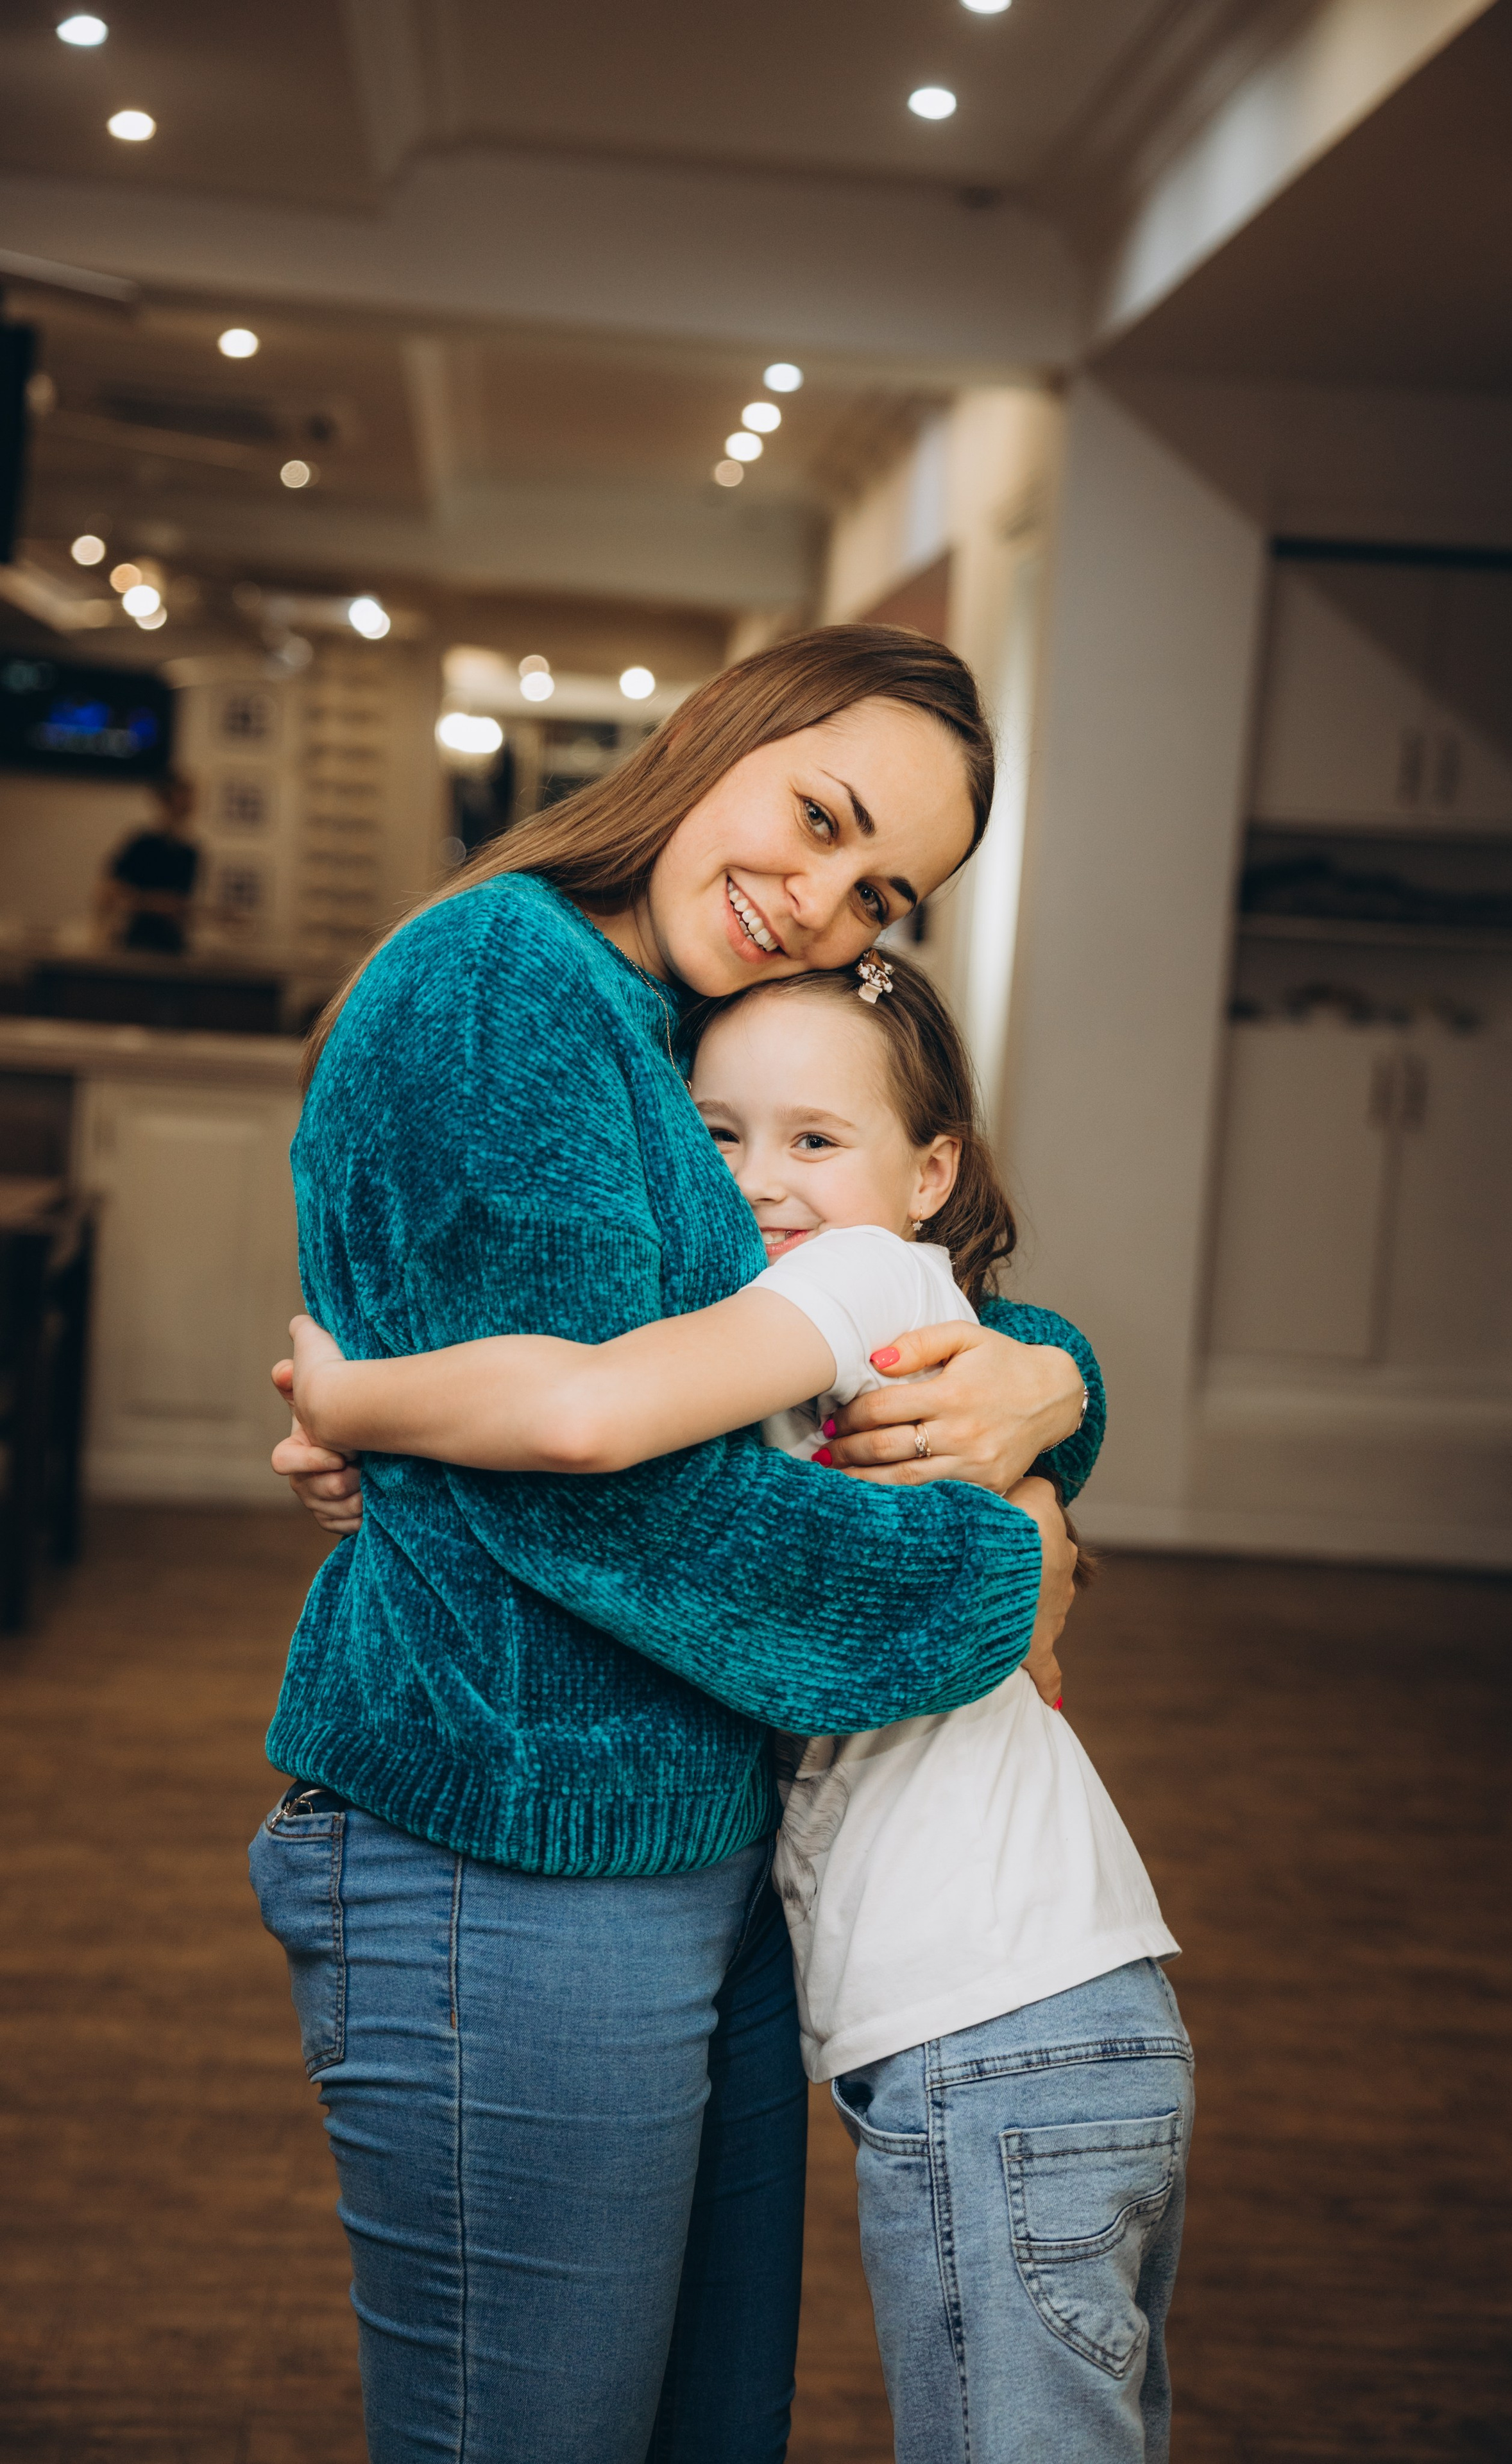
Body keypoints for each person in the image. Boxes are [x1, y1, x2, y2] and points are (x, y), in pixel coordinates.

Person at [253, 626, 1101, 2464]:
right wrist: (1014, 1569)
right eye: (819, 816)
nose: (817, 901)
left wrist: (1045, 1395)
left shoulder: (666, 1019)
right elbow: (618, 1494)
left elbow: (841, 1319)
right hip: (502, 1849)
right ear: (722, 727)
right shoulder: (508, 982)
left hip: (687, 1849)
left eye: (877, 890)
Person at [98, 771, 200, 953]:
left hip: (172, 943)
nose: (189, 803)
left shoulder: (190, 852)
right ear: (165, 800)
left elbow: (182, 904)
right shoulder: (142, 844)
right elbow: (110, 892)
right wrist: (154, 904)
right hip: (138, 940)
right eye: (183, 797)